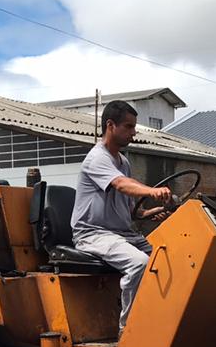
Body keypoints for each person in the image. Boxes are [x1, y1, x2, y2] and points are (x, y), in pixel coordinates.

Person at [72, 100, 174, 331]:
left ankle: (160, 322)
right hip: (93, 234)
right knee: (139, 263)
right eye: (128, 126)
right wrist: (151, 191)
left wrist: (149, 213)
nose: (133, 132)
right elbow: (121, 184)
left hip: (122, 234)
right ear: (110, 125)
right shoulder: (96, 158)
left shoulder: (123, 162)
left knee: (169, 261)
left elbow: (130, 210)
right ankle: (130, 331)